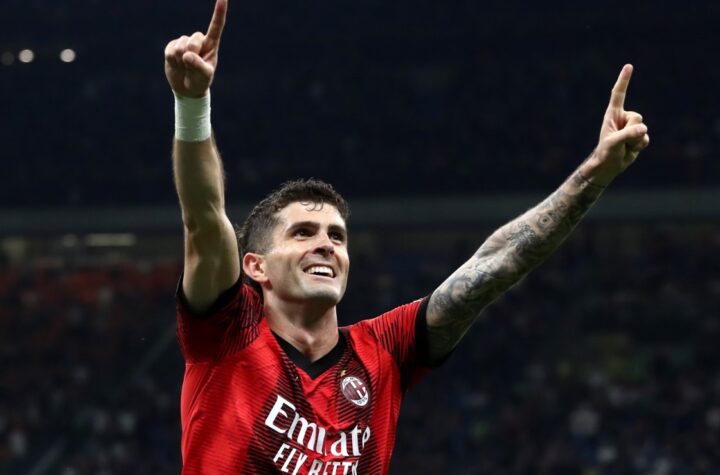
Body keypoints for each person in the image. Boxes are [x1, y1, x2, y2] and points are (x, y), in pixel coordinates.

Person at [164, 0, 650, 473]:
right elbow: (204, 218)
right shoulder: (228, 332)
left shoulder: (383, 351)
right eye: (303, 233)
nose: (326, 245)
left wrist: (594, 174)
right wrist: (192, 103)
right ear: (256, 266)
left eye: (337, 236)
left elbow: (497, 263)